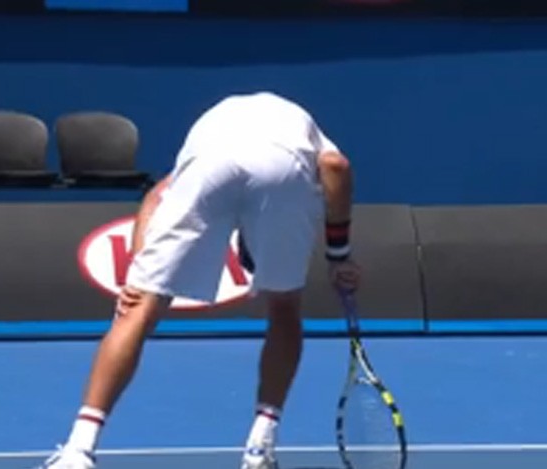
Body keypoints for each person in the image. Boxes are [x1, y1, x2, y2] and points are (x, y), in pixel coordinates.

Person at [36, 91, 361, 469]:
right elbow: (335, 166)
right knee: (285, 307)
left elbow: (155, 197)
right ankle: (260, 446)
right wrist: (339, 256)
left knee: (137, 310)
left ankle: (77, 452)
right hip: (281, 166)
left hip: (212, 162)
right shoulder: (309, 137)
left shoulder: (227, 124)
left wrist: (137, 277)